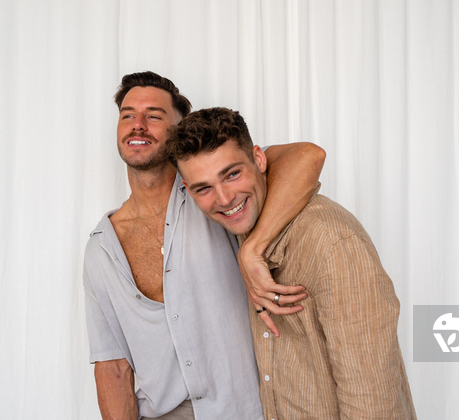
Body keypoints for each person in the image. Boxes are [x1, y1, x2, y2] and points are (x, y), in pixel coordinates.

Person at [83, 72, 325, 419]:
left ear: (178, 130)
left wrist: (251, 247)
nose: (138, 125)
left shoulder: (217, 196)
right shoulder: (101, 249)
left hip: (246, 409)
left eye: (153, 115)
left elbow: (308, 156)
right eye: (127, 115)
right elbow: (114, 368)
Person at [166, 107, 417, 419]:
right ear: (189, 191)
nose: (225, 198)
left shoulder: (330, 241)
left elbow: (372, 398)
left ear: (259, 159)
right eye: (204, 188)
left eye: (232, 174)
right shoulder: (243, 234)